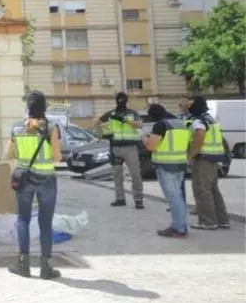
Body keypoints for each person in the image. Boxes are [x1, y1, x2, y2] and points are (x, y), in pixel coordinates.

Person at [8, 90, 63, 280]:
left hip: (24, 179)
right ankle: (46, 268)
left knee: (23, 219)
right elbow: (57, 157)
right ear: (44, 107)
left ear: (27, 106)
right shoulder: (51, 127)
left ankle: (23, 265)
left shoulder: (17, 127)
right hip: (46, 179)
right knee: (45, 223)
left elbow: (9, 154)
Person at [142, 104, 190, 238]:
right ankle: (182, 225)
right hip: (180, 164)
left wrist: (144, 137)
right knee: (178, 196)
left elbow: (151, 146)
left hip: (166, 165)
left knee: (173, 197)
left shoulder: (161, 125)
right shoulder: (180, 123)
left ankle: (177, 228)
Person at [187, 96, 230, 230]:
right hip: (214, 158)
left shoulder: (199, 121)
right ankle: (222, 220)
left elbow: (200, 135)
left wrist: (191, 154)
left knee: (202, 190)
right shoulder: (210, 119)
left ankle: (208, 221)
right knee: (213, 190)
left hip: (203, 159)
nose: (188, 107)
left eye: (190, 104)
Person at [96, 92, 144, 209]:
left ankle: (138, 200)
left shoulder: (132, 113)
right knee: (117, 175)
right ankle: (120, 199)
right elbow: (97, 123)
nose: (121, 101)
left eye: (123, 99)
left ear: (126, 100)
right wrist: (102, 134)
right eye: (119, 99)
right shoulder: (110, 114)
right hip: (115, 147)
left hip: (130, 147)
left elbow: (140, 125)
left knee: (135, 174)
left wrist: (125, 120)